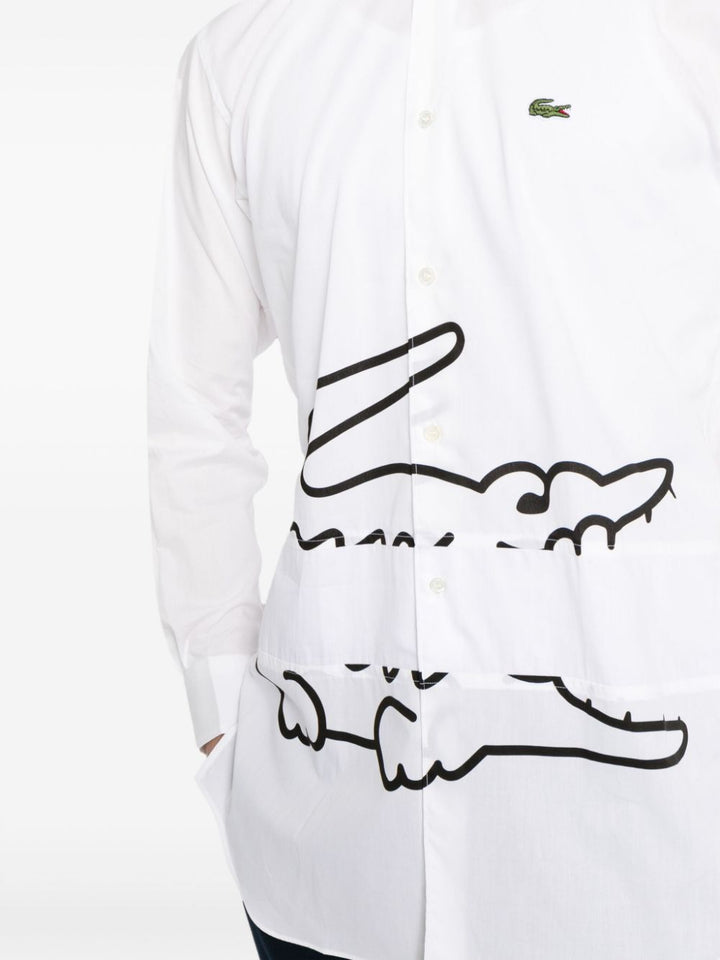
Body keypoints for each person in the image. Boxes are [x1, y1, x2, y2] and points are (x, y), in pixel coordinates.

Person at [147, 1, 720, 957]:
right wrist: (220, 717)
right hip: (329, 839)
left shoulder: (682, 28)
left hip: (644, 847)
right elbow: (194, 408)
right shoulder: (242, 59)